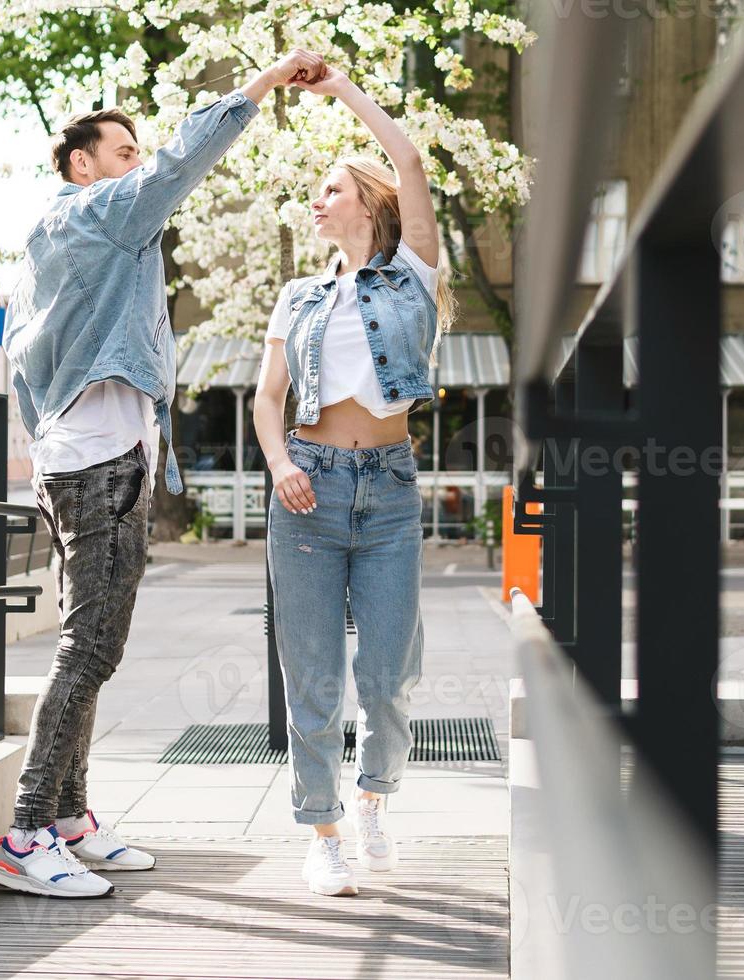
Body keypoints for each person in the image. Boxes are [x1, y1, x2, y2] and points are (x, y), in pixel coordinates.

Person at [0, 48, 329, 900]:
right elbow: (187, 157)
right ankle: (26, 833)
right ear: (83, 165)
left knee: (92, 646)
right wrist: (268, 76)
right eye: (123, 151)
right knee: (90, 648)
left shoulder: (67, 239)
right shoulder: (98, 215)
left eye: (137, 153)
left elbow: (25, 364)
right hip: (98, 461)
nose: (139, 164)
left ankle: (68, 820)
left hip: (98, 455)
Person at [252, 65, 455, 898]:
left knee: (388, 676)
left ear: (366, 204)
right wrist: (281, 465)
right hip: (308, 491)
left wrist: (340, 92)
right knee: (313, 676)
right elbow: (267, 401)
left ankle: (373, 799)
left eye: (328, 188)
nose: (315, 200)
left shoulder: (415, 275)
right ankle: (323, 831)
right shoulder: (297, 297)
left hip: (390, 491)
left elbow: (410, 162)